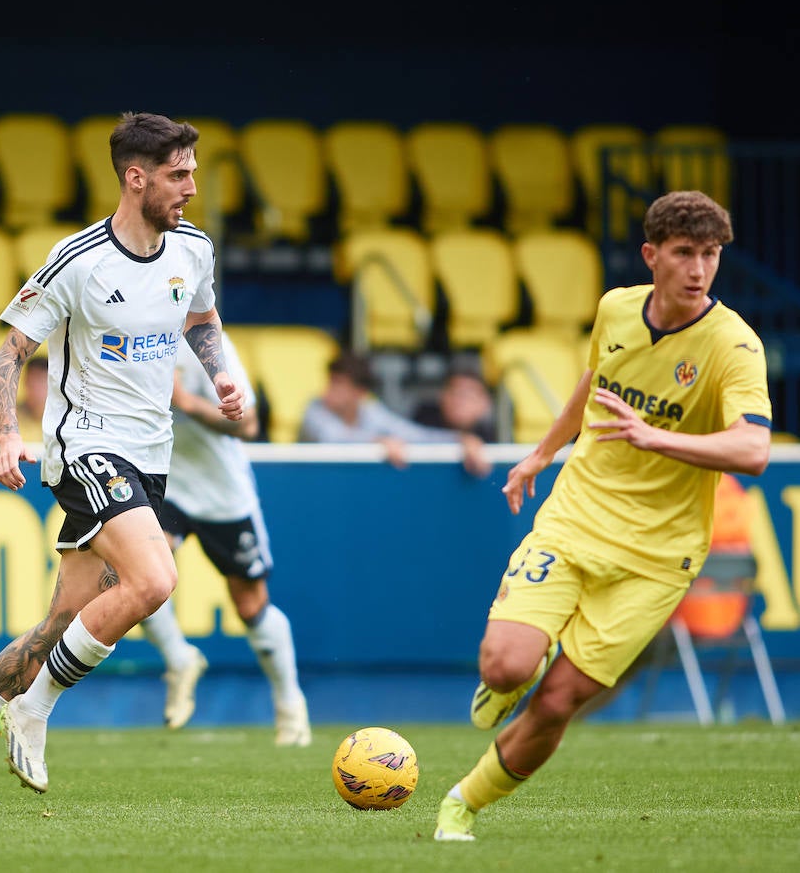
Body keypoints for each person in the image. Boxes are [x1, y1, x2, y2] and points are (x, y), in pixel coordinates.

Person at [0, 112, 244, 814]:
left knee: (63, 622)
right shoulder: (79, 260)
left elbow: (201, 320)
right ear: (135, 177)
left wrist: (221, 374)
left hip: (151, 455)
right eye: (179, 175)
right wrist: (5, 435)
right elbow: (8, 353)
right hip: (83, 447)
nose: (191, 188)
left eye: (193, 173)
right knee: (155, 579)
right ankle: (38, 705)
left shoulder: (195, 250)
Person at [433, 190, 772, 842]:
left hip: (658, 557)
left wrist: (656, 438)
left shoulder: (735, 346)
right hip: (578, 518)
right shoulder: (616, 308)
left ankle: (462, 804)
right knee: (504, 666)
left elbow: (754, 449)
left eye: (710, 255)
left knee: (559, 701)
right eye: (684, 254)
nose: (699, 269)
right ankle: (519, 668)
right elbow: (596, 383)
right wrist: (539, 454)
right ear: (652, 255)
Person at [139, 331, 311, 744]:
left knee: (250, 605)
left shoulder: (206, 344)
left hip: (221, 493)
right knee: (139, 575)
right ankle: (180, 659)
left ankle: (290, 706)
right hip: (166, 483)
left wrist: (186, 402)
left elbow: (248, 423)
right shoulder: (128, 329)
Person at [296, 351, 447, 467]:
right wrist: (377, 441)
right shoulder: (314, 409)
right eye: (330, 382)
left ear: (360, 392)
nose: (328, 391)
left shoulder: (370, 410)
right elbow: (332, 438)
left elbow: (415, 435)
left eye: (338, 384)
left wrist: (460, 439)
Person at [412, 366, 496, 477]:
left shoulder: (496, 435)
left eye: (468, 395)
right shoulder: (423, 419)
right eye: (455, 393)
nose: (460, 402)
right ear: (442, 396)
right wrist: (461, 439)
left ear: (485, 403)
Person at [14, 354, 47, 442]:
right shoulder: (8, 418)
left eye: (40, 381)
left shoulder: (65, 420)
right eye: (31, 381)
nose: (35, 387)